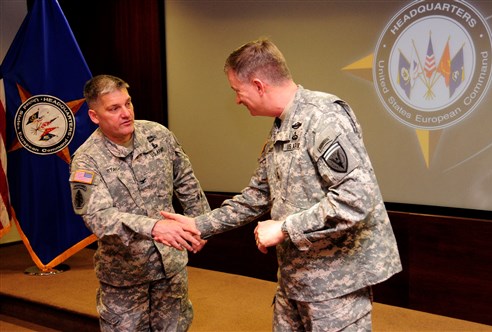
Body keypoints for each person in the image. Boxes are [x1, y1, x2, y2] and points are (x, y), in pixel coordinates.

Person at [160, 38, 402, 331]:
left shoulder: (324, 117)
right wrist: (199, 225)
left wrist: (284, 228)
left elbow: (355, 198)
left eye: (238, 90)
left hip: (336, 288)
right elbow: (257, 196)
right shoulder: (282, 125)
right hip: (295, 280)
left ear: (260, 85)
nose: (237, 99)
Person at [69, 74, 210, 331]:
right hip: (124, 276)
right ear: (94, 116)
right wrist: (154, 227)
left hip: (170, 267)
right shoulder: (86, 160)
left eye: (128, 103)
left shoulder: (159, 136)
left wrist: (201, 223)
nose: (126, 113)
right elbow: (98, 218)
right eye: (114, 108)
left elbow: (186, 182)